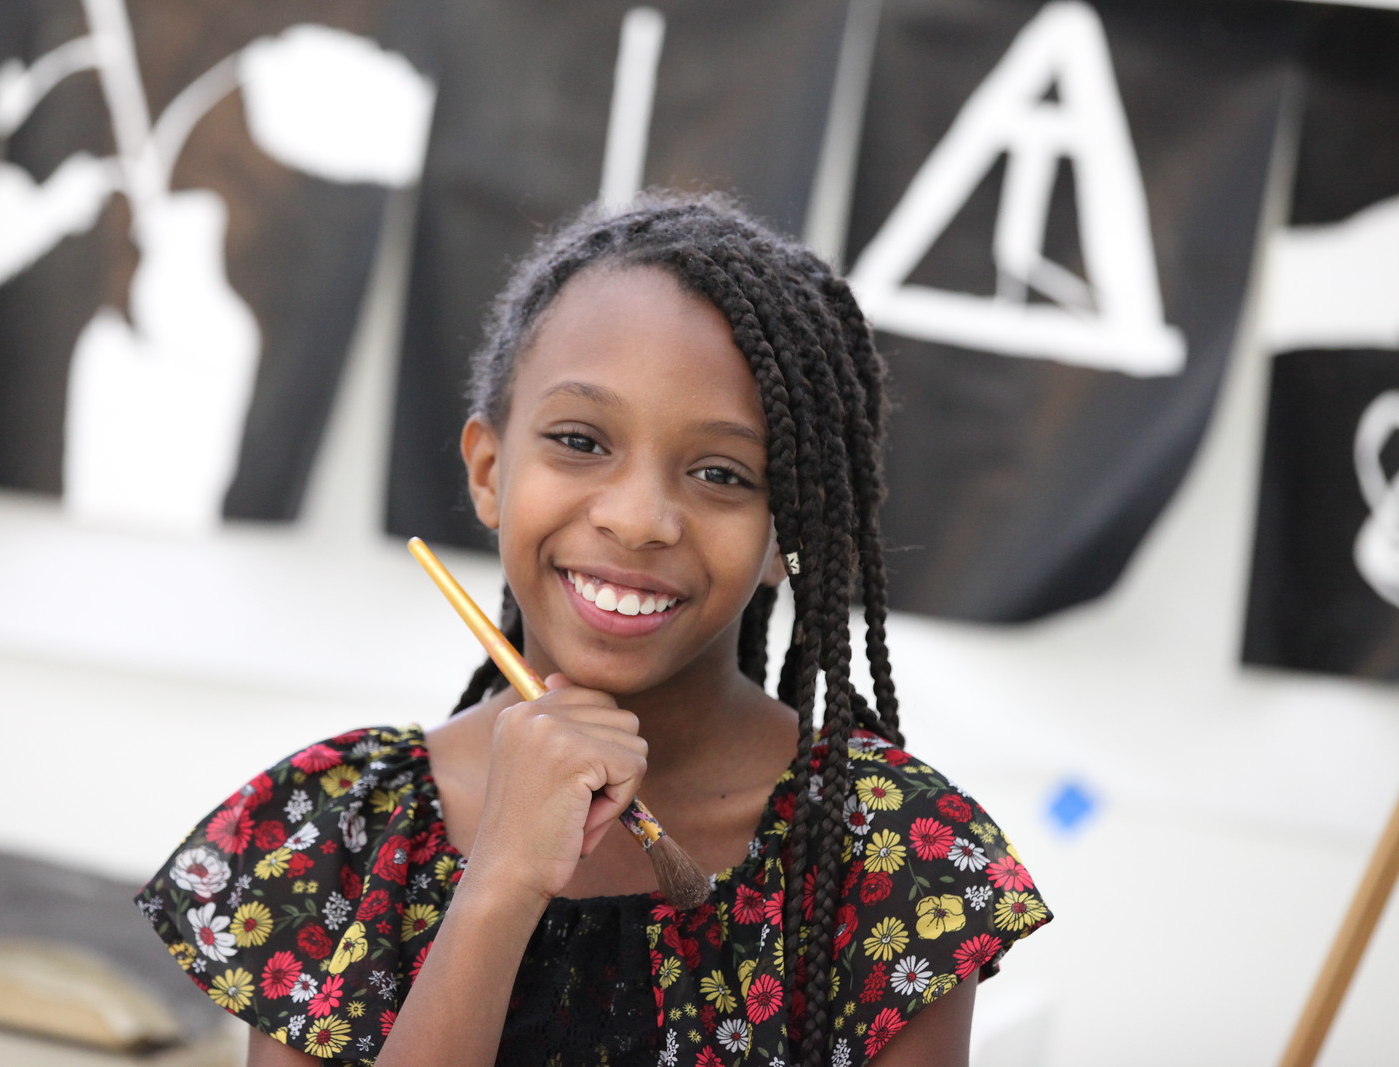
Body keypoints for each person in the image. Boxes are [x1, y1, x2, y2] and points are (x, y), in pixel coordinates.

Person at [136, 192, 1051, 1066]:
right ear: (490, 470)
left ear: (792, 532)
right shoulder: (333, 830)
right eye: (580, 441)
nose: (638, 517)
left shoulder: (885, 851)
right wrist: (497, 883)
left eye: (723, 474)